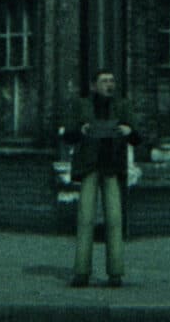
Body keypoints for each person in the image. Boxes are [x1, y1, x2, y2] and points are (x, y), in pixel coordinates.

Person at [62, 70, 141, 288]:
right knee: (85, 219)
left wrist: (128, 130)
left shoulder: (123, 106)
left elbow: (138, 137)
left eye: (112, 81)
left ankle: (115, 273)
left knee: (114, 220)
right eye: (104, 81)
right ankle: (81, 272)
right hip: (89, 166)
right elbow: (68, 135)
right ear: (93, 85)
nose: (110, 85)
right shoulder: (82, 105)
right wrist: (81, 129)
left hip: (112, 167)